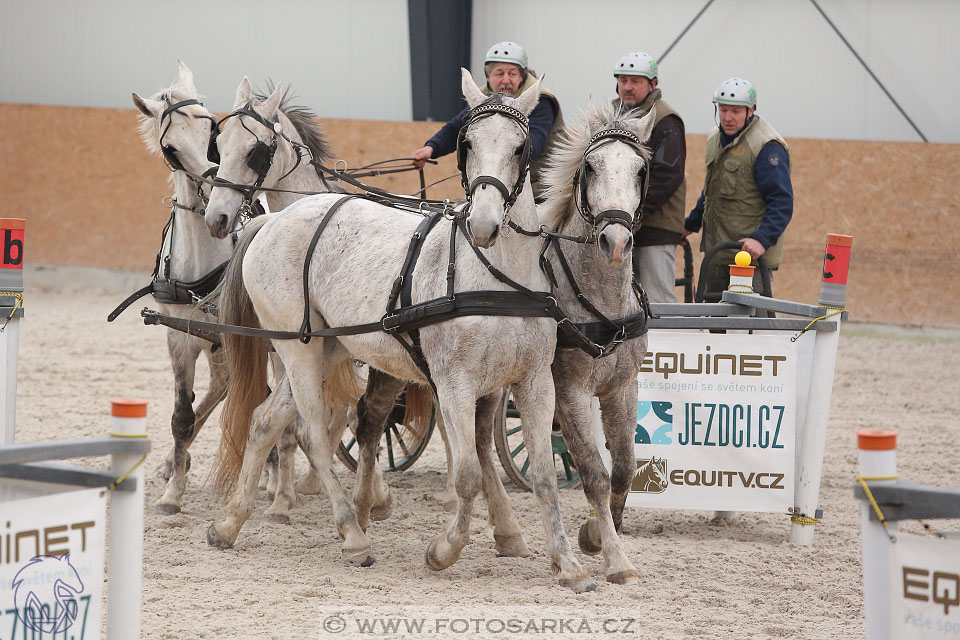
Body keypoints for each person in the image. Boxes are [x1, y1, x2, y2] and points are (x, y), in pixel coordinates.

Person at [683, 77, 793, 298]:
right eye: (723, 110)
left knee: (746, 325)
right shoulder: (715, 137)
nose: (728, 118)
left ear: (750, 111)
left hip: (748, 257)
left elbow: (781, 202)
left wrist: (761, 239)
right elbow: (711, 190)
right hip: (717, 252)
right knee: (714, 324)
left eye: (736, 111)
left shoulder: (766, 146)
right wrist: (691, 223)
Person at [411, 41, 563, 200]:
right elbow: (456, 127)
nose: (505, 80)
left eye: (512, 74)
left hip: (541, 184)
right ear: (488, 77)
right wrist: (430, 149)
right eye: (499, 74)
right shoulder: (484, 99)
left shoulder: (540, 99)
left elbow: (536, 142)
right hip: (499, 181)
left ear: (522, 77)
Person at [612, 52, 686, 304]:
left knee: (658, 299)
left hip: (655, 225)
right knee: (617, 299)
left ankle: (667, 345)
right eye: (623, 81)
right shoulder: (613, 116)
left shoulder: (665, 120)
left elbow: (667, 175)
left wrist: (639, 211)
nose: (627, 87)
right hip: (620, 222)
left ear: (652, 84)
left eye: (636, 81)